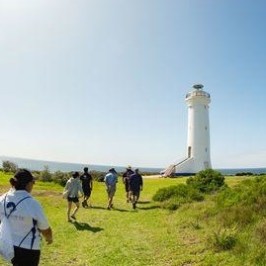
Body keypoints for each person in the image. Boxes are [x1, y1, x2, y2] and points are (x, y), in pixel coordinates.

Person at [0, 169, 53, 266]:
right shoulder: (33, 204)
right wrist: (49, 238)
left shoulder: (2, 199)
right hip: (29, 249)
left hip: (9, 245)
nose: (33, 185)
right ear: (28, 184)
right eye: (33, 182)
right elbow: (45, 229)